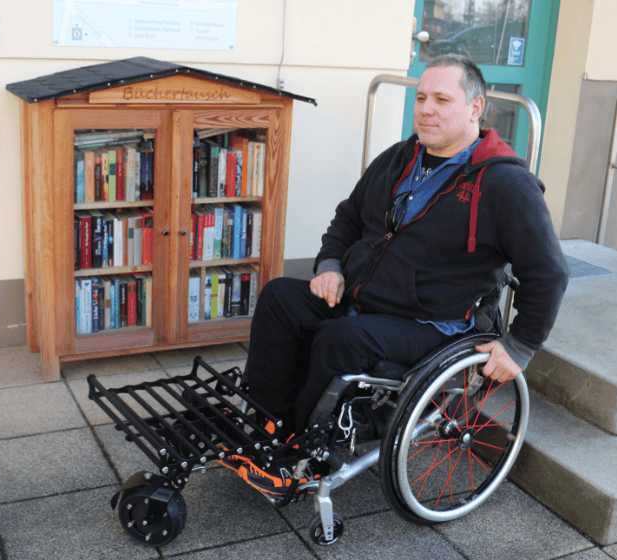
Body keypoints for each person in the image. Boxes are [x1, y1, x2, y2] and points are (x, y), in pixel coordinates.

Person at [229, 54, 570, 496]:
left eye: (442, 99)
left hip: (431, 322)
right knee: (279, 296)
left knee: (343, 339)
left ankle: (299, 445)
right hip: (364, 296)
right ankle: (266, 422)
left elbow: (549, 273)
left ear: (475, 108)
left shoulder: (506, 185)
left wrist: (520, 347)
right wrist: (330, 265)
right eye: (421, 97)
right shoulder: (401, 157)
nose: (426, 108)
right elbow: (348, 218)